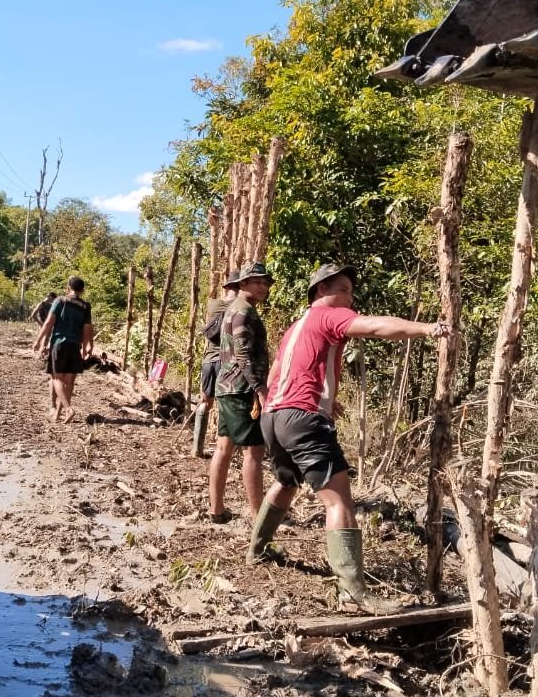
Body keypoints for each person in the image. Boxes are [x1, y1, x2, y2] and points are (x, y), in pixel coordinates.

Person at [248, 263, 452, 614]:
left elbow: (285, 371)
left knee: (285, 481)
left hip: (274, 416)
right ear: (322, 290)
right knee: (339, 502)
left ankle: (257, 549)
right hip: (302, 418)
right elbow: (375, 327)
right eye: (343, 289)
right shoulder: (328, 317)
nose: (350, 297)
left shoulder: (296, 327)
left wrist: (324, 400)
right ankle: (353, 595)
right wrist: (430, 329)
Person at [207, 262, 273, 523]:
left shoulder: (236, 310)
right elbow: (242, 353)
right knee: (254, 452)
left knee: (224, 447)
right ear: (242, 284)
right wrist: (259, 388)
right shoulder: (243, 312)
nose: (263, 287)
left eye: (266, 283)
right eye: (257, 282)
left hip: (228, 387)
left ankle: (217, 510)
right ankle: (259, 518)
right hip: (241, 389)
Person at [191, 270, 240, 457]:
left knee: (205, 402)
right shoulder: (239, 307)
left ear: (226, 287)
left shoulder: (212, 304)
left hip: (208, 360)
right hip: (226, 361)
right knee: (227, 405)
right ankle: (226, 449)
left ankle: (197, 447)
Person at [31, 276, 94, 423]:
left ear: (68, 288)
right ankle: (58, 415)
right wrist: (87, 347)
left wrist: (38, 341)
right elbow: (87, 329)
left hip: (59, 343)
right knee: (69, 382)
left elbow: (48, 323)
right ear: (82, 290)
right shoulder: (85, 306)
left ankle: (68, 409)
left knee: (56, 378)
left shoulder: (60, 301)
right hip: (75, 346)